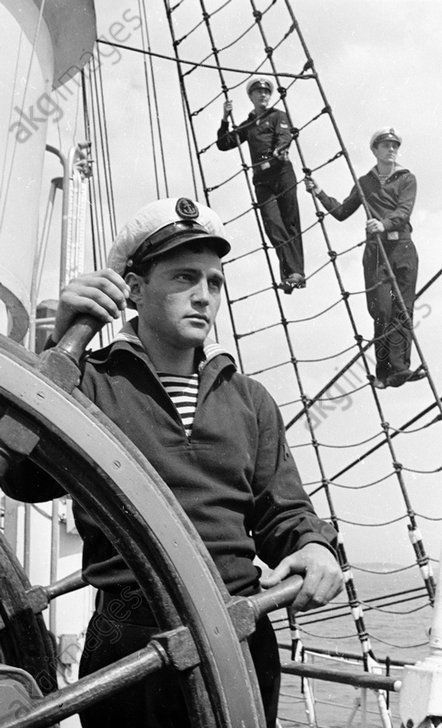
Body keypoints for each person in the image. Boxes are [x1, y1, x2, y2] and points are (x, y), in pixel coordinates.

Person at [1, 197, 342, 728]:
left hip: (242, 634)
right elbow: (21, 478)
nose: (204, 297)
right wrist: (55, 354)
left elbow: (284, 514)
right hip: (128, 639)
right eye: (185, 278)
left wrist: (314, 545)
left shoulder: (250, 401)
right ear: (134, 289)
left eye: (214, 282)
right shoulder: (88, 385)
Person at [305, 128, 425, 389]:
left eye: (395, 145)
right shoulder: (364, 182)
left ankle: (399, 369)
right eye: (386, 145)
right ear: (375, 150)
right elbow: (342, 212)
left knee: (402, 310)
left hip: (402, 249)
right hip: (376, 253)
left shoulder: (407, 179)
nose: (391, 149)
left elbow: (404, 212)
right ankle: (383, 371)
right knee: (381, 310)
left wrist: (383, 224)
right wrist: (319, 193)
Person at [216, 77, 305, 294]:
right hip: (262, 179)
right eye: (258, 93)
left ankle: (293, 274)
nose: (263, 95)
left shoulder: (277, 116)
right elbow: (224, 144)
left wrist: (279, 148)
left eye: (266, 92)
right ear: (251, 97)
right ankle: (293, 273)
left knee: (289, 222)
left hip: (281, 172)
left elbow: (285, 135)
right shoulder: (248, 124)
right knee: (273, 225)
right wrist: (225, 119)